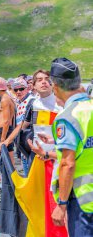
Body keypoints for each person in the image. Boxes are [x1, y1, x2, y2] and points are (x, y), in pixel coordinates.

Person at [45, 58, 93, 237]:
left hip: (83, 200)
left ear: (55, 85)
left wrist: (61, 204)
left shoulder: (68, 116)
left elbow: (67, 163)